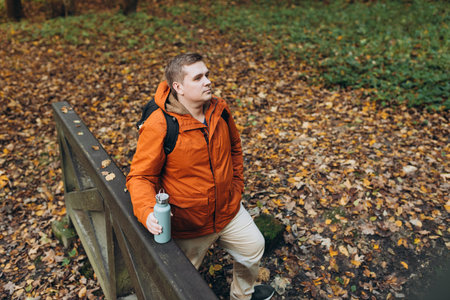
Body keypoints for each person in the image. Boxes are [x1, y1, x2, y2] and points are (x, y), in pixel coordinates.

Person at [126, 53, 275, 300]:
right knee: (179, 286)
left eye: (207, 74)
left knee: (253, 247)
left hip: (227, 210)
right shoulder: (161, 124)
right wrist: (147, 211)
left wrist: (236, 187)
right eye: (198, 78)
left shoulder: (219, 109)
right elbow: (140, 176)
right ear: (178, 87)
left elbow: (235, 149)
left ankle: (242, 296)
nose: (207, 81)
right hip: (189, 223)